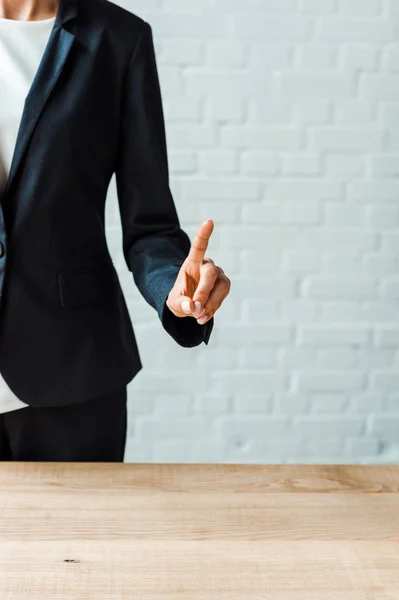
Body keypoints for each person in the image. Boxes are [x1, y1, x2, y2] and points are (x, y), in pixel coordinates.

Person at [0, 0, 230, 462]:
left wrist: (175, 288)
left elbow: (150, 223)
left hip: (72, 369)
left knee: (80, 534)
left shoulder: (118, 39)